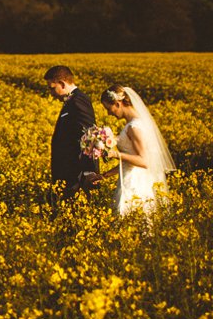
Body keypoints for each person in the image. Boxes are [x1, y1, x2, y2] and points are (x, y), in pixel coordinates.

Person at [93, 85, 175, 216]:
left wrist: (115, 154)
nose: (109, 113)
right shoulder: (135, 123)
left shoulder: (134, 127)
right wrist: (105, 175)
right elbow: (130, 161)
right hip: (132, 176)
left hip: (135, 182)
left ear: (118, 103)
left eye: (109, 108)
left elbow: (144, 161)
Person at [44, 65, 98, 205]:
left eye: (52, 87)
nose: (50, 92)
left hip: (75, 172)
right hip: (67, 171)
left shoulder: (78, 100)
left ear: (62, 84)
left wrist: (88, 171)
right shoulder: (71, 100)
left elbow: (89, 135)